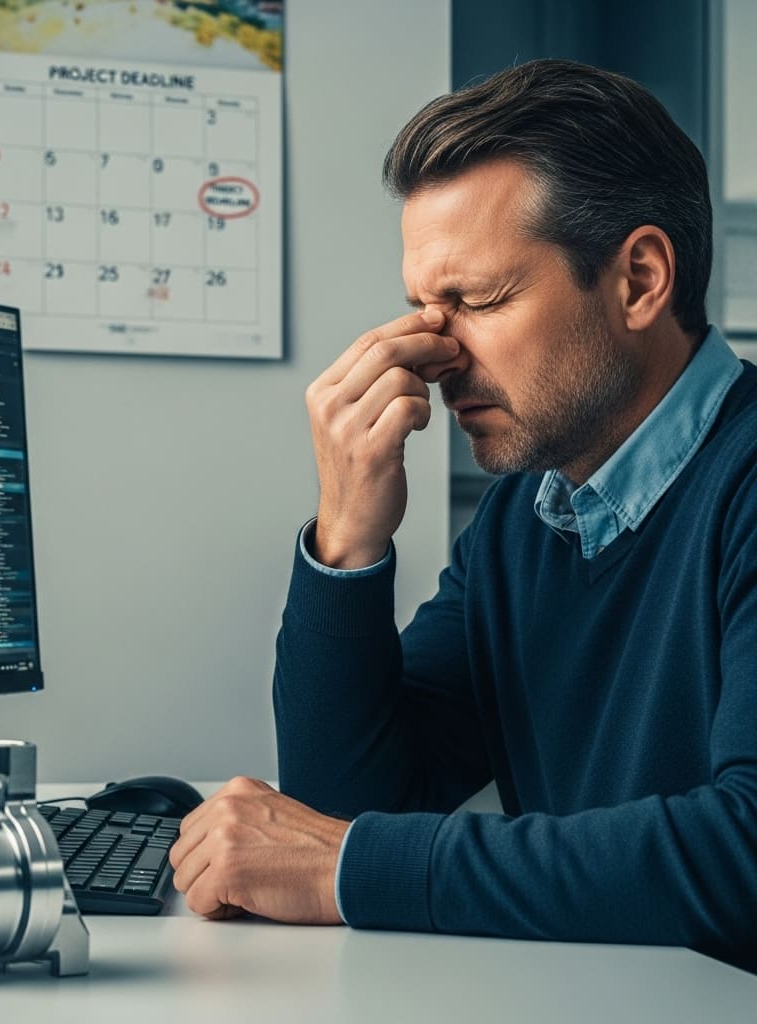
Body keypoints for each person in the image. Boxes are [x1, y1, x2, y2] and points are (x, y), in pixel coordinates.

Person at [168, 58, 757, 967]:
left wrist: (352, 869)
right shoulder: (527, 516)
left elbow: (744, 856)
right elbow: (355, 803)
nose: (435, 353)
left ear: (639, 279)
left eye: (477, 300)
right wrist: (347, 537)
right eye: (422, 307)